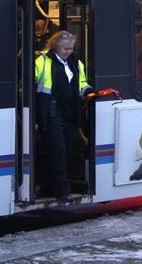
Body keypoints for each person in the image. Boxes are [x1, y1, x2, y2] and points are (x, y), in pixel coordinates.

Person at [34, 31, 93, 202]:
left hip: (71, 114)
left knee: (65, 150)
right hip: (52, 114)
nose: (69, 51)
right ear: (55, 46)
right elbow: (32, 82)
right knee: (58, 152)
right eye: (65, 48)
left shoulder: (75, 62)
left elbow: (81, 82)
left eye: (71, 48)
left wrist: (88, 91)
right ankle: (62, 190)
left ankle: (47, 186)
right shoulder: (42, 61)